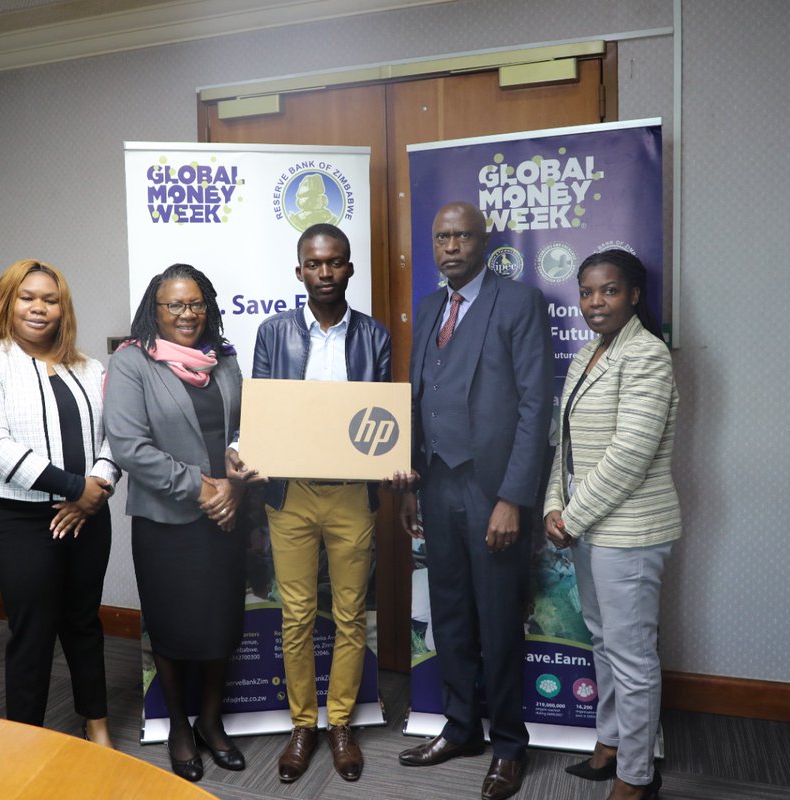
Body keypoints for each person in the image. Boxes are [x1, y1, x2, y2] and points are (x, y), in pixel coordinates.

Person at [393, 201, 552, 800]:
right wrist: (412, 483)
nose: (451, 246)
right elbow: (419, 397)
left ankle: (509, 744)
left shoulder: (519, 302)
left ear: (484, 242)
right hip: (436, 483)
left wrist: (513, 497)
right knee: (450, 611)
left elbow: (535, 405)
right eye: (442, 237)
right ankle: (460, 728)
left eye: (462, 236)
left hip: (492, 489)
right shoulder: (429, 307)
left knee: (498, 617)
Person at [226, 223, 391, 783]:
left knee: (349, 613)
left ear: (349, 268)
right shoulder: (274, 333)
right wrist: (246, 448)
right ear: (299, 271)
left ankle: (339, 723)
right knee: (295, 615)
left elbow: (384, 418)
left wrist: (395, 460)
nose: (325, 273)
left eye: (335, 262)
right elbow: (262, 408)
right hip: (290, 494)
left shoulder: (374, 335)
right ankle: (303, 725)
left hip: (352, 495)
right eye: (315, 264)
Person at [0, 258, 120, 747]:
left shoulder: (90, 368)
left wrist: (95, 489)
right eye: (27, 297)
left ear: (62, 308)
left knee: (84, 621)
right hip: (17, 519)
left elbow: (116, 436)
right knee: (34, 629)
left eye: (50, 299)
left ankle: (96, 723)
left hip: (89, 515)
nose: (39, 307)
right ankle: (26, 741)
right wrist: (74, 488)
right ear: (8, 302)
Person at [103, 264, 247, 783]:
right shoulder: (131, 362)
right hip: (165, 520)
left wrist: (232, 486)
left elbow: (243, 429)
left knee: (221, 622)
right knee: (170, 625)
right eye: (175, 305)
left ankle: (210, 721)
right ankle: (180, 729)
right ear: (155, 310)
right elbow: (129, 447)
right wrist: (201, 487)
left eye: (196, 303)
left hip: (226, 515)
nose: (187, 314)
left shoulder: (223, 359)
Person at [544, 249, 679, 800]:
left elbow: (630, 455)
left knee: (632, 657)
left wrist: (571, 516)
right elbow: (565, 445)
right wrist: (553, 504)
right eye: (587, 292)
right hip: (588, 527)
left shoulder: (647, 354)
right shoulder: (587, 354)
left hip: (631, 531)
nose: (595, 302)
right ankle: (610, 744)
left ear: (634, 295)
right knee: (602, 640)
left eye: (609, 290)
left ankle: (637, 777)